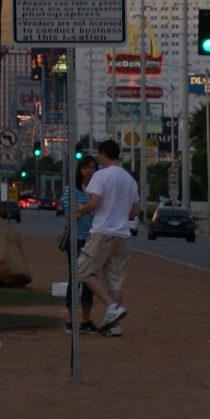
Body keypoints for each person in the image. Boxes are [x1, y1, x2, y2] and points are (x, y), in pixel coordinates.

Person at [75, 138, 139, 336]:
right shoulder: (129, 179)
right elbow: (134, 211)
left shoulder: (101, 176)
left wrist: (82, 211)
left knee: (83, 271)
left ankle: (112, 308)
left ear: (103, 154)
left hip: (103, 232)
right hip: (122, 235)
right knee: (115, 280)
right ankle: (114, 326)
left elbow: (94, 203)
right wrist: (119, 215)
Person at [64, 155, 100, 334]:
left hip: (93, 239)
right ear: (79, 170)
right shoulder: (71, 189)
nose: (88, 171)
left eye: (92, 167)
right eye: (85, 167)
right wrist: (85, 211)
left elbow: (101, 212)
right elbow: (68, 214)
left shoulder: (98, 191)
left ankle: (86, 320)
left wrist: (82, 209)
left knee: (89, 280)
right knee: (75, 278)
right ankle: (70, 320)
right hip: (76, 238)